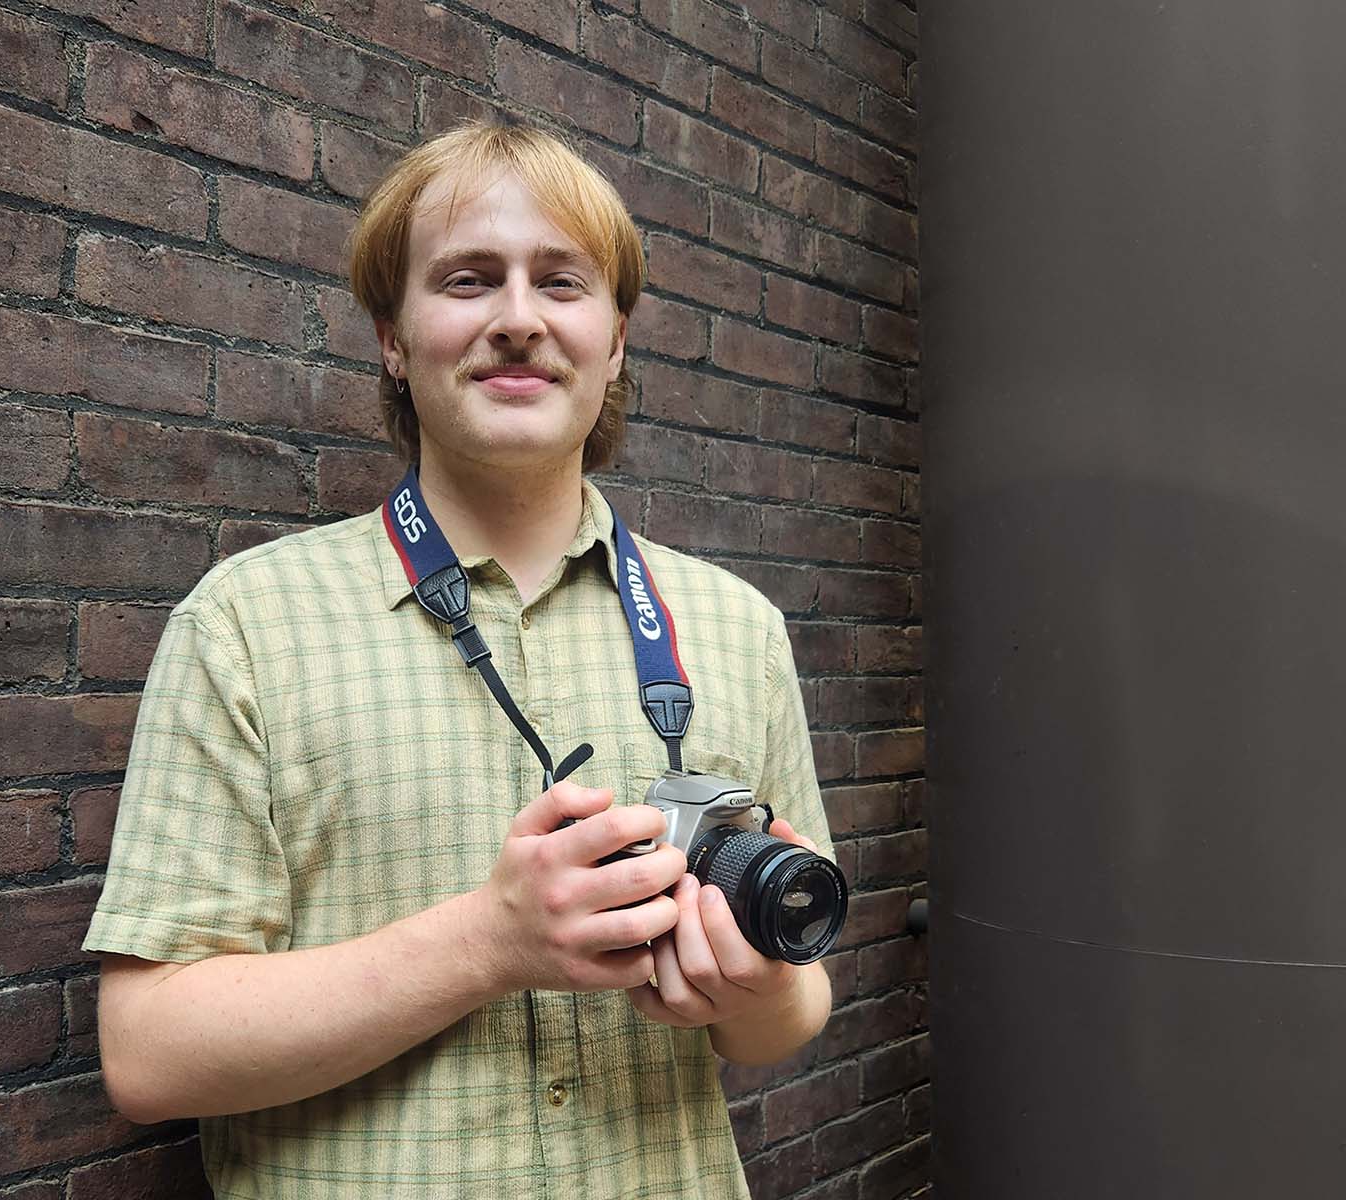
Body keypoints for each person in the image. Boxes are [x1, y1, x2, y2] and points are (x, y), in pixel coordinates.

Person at [83, 116, 838, 1199]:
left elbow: (793, 1012)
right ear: (394, 336)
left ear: (616, 340)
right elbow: (148, 1055)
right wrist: (488, 943)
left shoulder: (736, 628)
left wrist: (753, 989)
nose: (519, 320)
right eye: (470, 280)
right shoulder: (246, 625)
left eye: (563, 284)